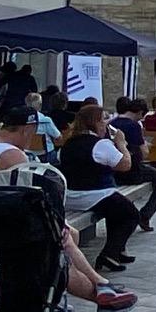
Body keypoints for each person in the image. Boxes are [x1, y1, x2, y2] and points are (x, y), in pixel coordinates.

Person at [0, 109, 136, 312]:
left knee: (68, 234)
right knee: (58, 248)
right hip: (4, 232)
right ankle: (100, 294)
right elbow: (30, 198)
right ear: (27, 129)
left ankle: (97, 286)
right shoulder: (12, 155)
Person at [59, 104, 141, 275]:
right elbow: (125, 165)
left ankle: (118, 251)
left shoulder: (68, 143)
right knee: (131, 214)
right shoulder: (100, 144)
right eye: (104, 119)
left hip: (71, 194)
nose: (106, 123)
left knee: (117, 207)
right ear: (95, 122)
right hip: (94, 193)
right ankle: (109, 254)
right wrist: (121, 144)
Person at [109, 98, 156, 231]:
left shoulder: (112, 123)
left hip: (114, 170)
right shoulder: (133, 125)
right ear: (140, 112)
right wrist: (146, 145)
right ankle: (145, 215)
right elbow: (144, 153)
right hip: (132, 171)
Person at [24, 92, 61, 160]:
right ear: (40, 105)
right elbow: (58, 137)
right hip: (45, 156)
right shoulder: (45, 120)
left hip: (26, 155)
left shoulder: (20, 120)